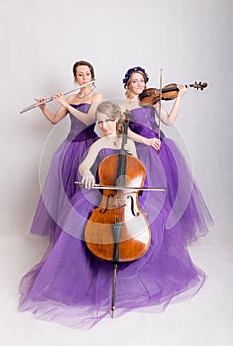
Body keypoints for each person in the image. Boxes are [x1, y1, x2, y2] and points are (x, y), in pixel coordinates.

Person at [19, 101, 207, 329]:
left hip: (126, 193)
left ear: (118, 120)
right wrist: (87, 172)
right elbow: (84, 165)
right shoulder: (99, 143)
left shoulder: (129, 142)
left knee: (154, 219)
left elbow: (136, 170)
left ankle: (131, 255)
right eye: (99, 121)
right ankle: (90, 264)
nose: (104, 125)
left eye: (108, 120)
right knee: (79, 216)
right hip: (104, 193)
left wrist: (131, 155)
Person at [121, 66, 213, 241]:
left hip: (160, 147)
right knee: (146, 190)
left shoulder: (153, 100)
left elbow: (169, 121)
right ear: (128, 84)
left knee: (166, 189)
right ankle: (146, 231)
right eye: (135, 81)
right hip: (140, 150)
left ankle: (167, 233)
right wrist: (145, 141)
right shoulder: (123, 106)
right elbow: (124, 131)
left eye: (142, 80)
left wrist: (179, 97)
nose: (140, 84)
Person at [30, 60, 103, 242]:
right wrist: (43, 107)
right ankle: (66, 238)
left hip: (89, 146)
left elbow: (88, 120)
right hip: (70, 147)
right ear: (75, 78)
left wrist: (66, 104)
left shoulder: (97, 97)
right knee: (68, 189)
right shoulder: (70, 98)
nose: (84, 77)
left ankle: (87, 235)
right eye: (80, 74)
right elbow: (55, 120)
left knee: (86, 191)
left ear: (92, 77)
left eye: (87, 74)